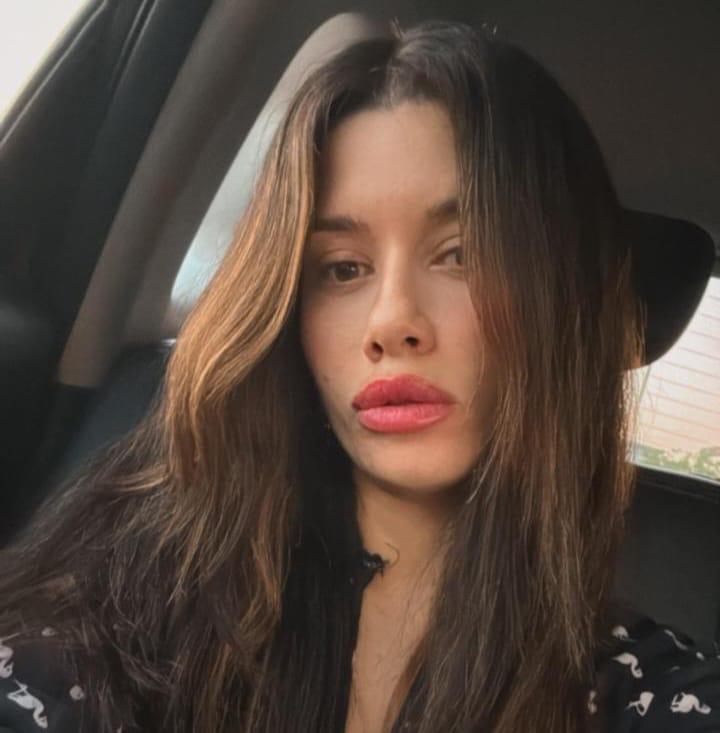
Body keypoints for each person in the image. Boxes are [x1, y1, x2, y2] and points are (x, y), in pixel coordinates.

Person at [0, 18, 717, 733]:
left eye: (463, 253)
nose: (391, 320)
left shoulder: (645, 691)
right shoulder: (135, 597)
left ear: (564, 301)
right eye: (343, 269)